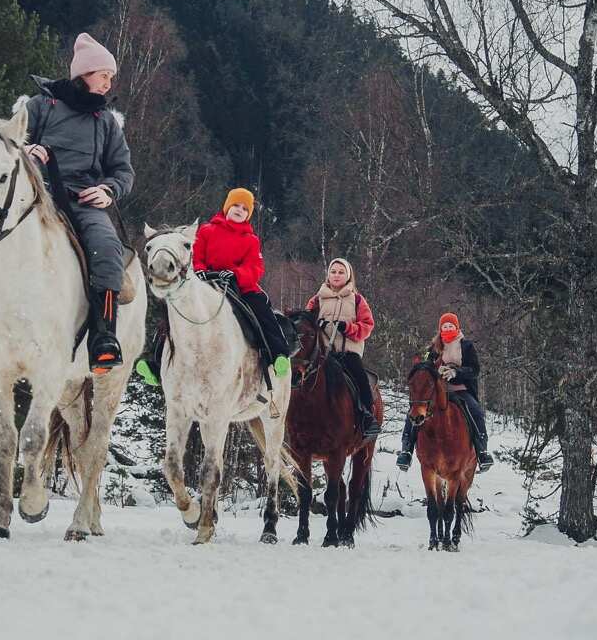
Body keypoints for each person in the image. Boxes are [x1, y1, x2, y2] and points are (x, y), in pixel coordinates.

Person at [0, 33, 133, 374]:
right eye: (104, 74)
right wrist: (27, 152)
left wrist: (108, 189)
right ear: (84, 74)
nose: (109, 82)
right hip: (34, 193)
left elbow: (123, 170)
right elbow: (9, 142)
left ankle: (102, 336)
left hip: (81, 200)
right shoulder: (41, 105)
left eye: (110, 77)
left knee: (106, 247)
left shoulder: (105, 122)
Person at [134, 188, 291, 387]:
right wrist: (201, 272)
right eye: (236, 205)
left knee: (261, 309)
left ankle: (277, 354)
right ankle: (155, 362)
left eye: (245, 208)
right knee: (174, 309)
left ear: (248, 214)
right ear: (227, 207)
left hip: (239, 287)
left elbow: (255, 267)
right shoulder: (207, 231)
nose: (239, 210)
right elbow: (196, 257)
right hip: (206, 283)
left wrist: (236, 274)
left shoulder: (251, 240)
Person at [397, 312, 495, 473]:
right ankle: (406, 450)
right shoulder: (434, 346)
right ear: (440, 329)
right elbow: (426, 367)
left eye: (451, 326)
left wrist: (455, 371)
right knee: (414, 413)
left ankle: (482, 451)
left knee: (476, 411)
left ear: (457, 327)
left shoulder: (467, 346)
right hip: (436, 393)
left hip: (460, 390)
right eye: (445, 326)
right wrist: (433, 369)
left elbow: (474, 370)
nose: (448, 328)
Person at [305, 258, 381, 438]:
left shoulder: (357, 299)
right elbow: (305, 323)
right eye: (333, 272)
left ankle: (366, 417)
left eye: (341, 272)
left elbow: (368, 326)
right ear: (328, 275)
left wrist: (348, 328)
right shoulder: (317, 299)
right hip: (323, 353)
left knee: (360, 378)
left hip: (347, 353)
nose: (336, 275)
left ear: (348, 276)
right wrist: (318, 324)